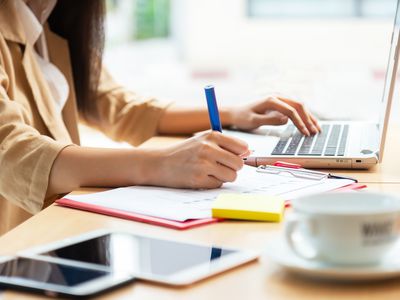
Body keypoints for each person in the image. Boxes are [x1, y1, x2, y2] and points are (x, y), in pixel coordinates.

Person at [0, 0, 320, 235]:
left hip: (57, 232)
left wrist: (234, 113)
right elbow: (14, 153)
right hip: (19, 246)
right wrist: (160, 163)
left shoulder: (49, 24)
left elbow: (117, 104)